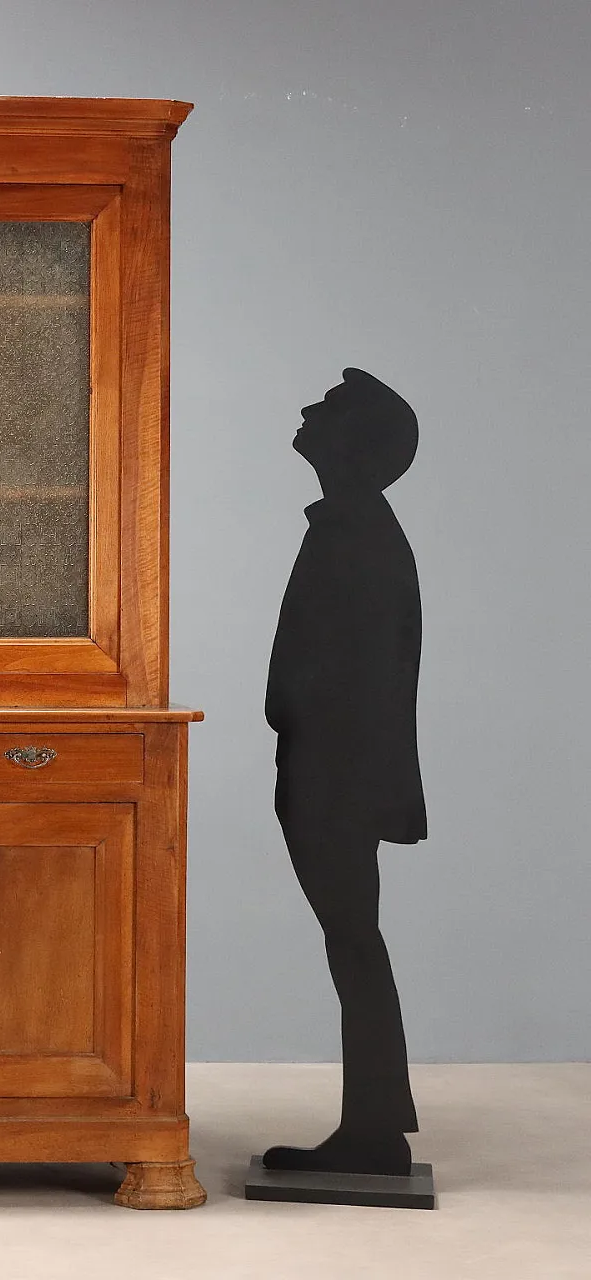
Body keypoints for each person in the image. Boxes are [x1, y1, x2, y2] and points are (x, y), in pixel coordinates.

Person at [262, 367, 426, 1177]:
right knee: (354, 940)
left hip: (336, 775)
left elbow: (360, 675)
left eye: (326, 409)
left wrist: (306, 740)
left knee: (353, 940)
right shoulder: (354, 526)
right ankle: (376, 1122)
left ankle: (374, 1131)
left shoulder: (356, 533)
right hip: (332, 769)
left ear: (352, 445)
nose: (305, 411)